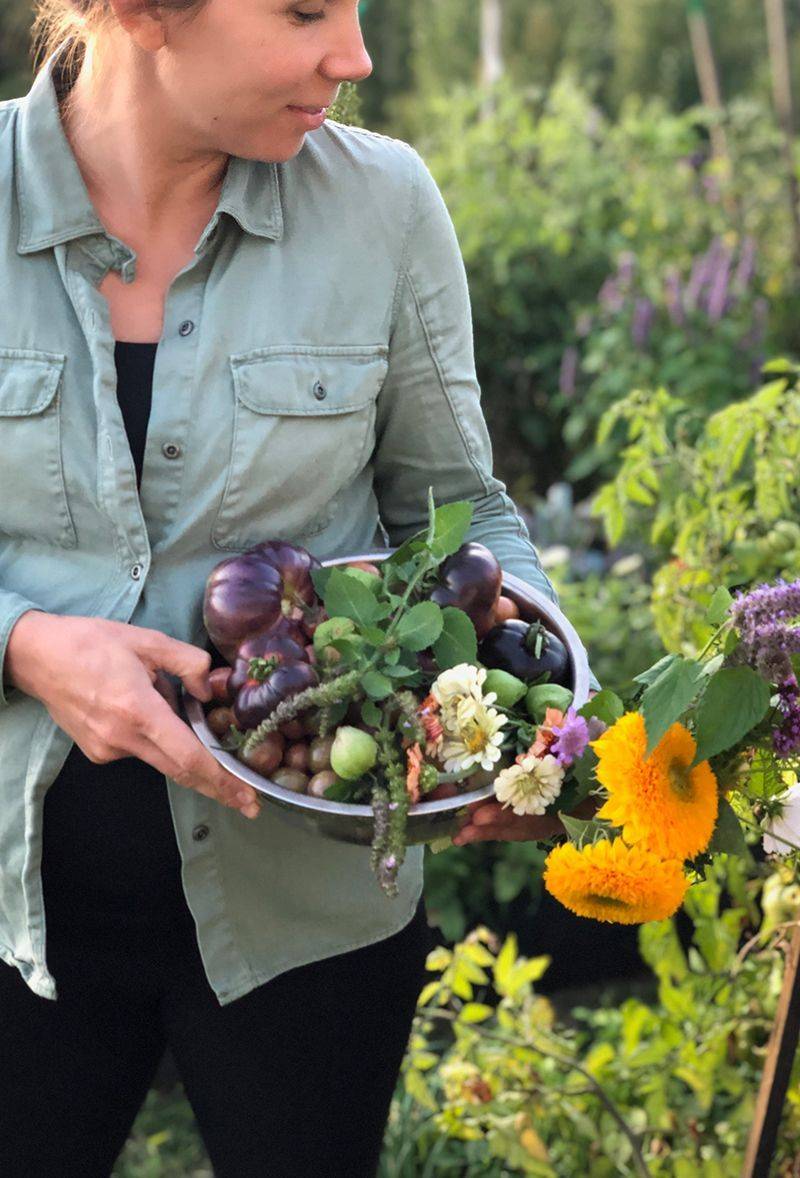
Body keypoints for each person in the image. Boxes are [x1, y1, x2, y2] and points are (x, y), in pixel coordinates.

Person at [0, 2, 601, 1174]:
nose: (354, 55)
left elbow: (460, 512)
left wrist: (545, 704)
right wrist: (25, 643)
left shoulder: (380, 206)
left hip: (311, 922)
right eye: (302, 9)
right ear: (142, 11)